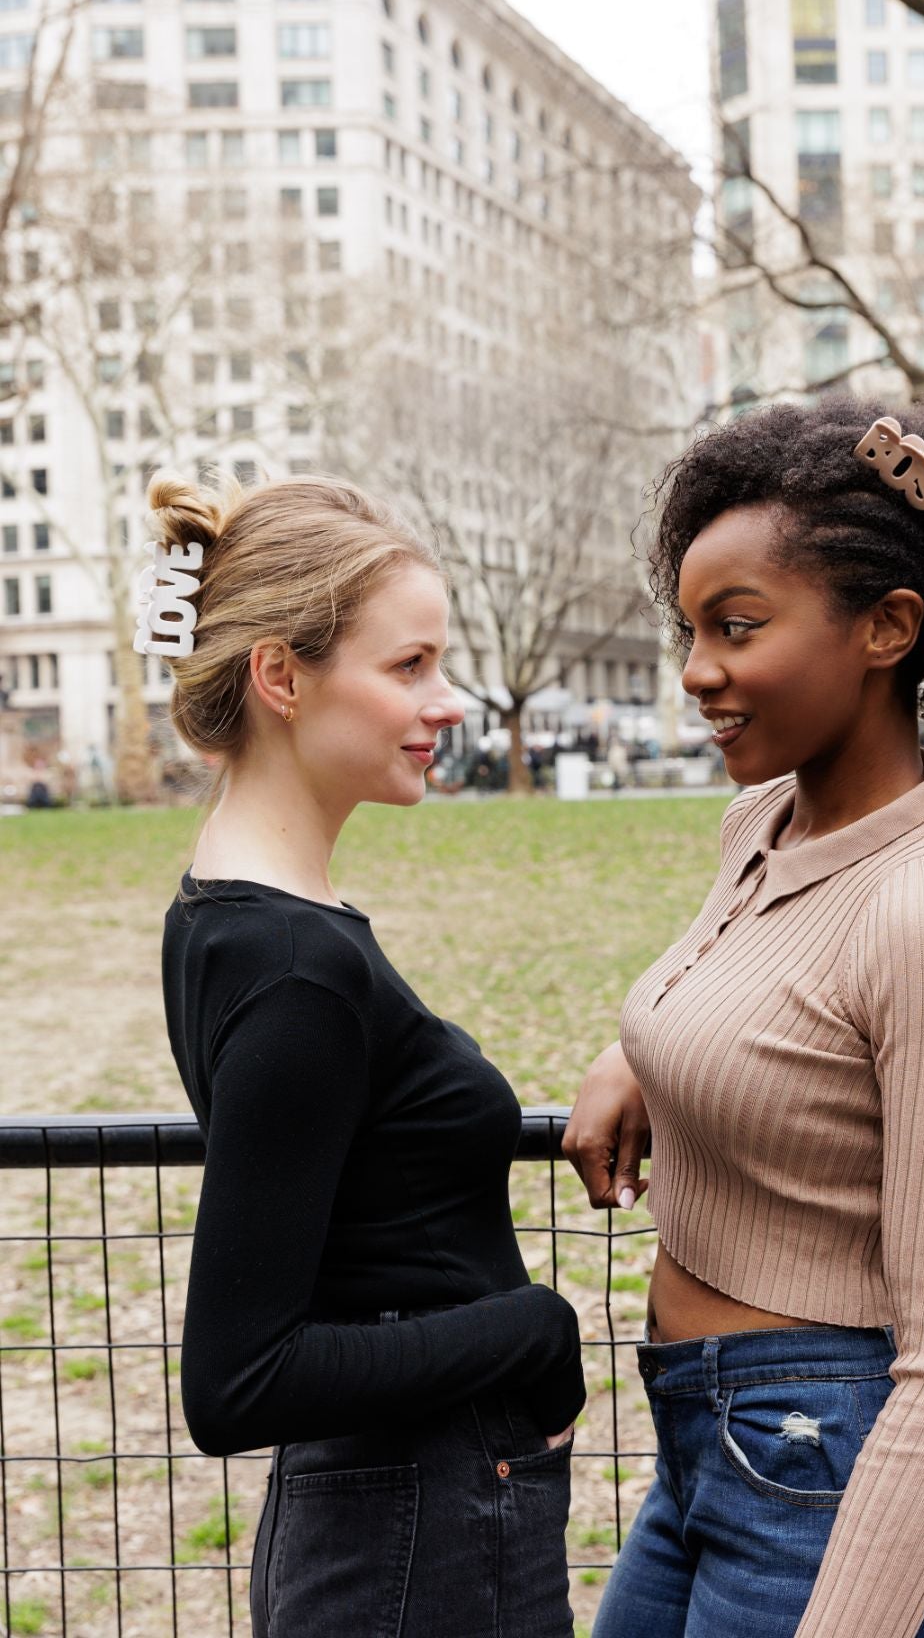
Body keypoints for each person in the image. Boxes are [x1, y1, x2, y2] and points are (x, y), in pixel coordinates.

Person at [563, 398, 924, 1638]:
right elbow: (756, 992)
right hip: (708, 1444)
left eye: (737, 628)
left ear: (888, 630)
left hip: (846, 1465)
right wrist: (637, 1053)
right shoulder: (764, 828)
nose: (697, 671)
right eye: (689, 630)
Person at [145, 472, 584, 1638]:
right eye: (409, 667)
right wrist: (535, 1329)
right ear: (282, 676)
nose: (448, 705)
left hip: (389, 1513)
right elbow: (239, 1379)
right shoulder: (295, 967)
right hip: (419, 1527)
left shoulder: (239, 916)